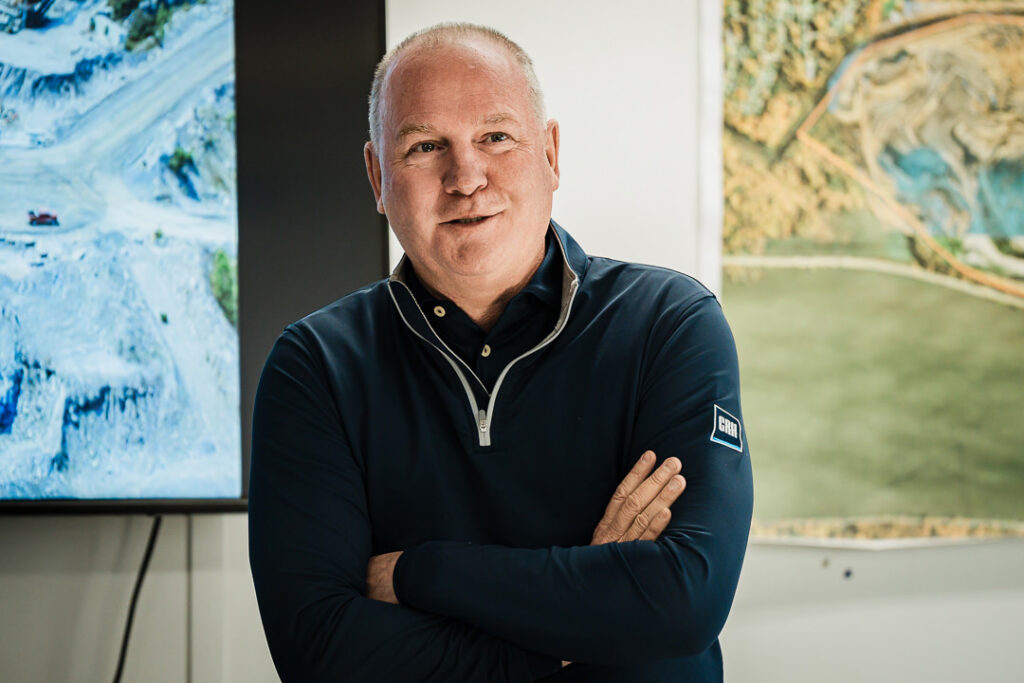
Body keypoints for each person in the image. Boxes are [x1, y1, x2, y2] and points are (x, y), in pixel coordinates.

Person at [249, 22, 753, 682]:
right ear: (377, 176)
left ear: (550, 153)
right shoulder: (315, 366)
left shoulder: (669, 323)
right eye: (425, 146)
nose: (466, 177)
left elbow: (683, 600)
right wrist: (582, 626)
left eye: (495, 137)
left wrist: (418, 572)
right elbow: (320, 653)